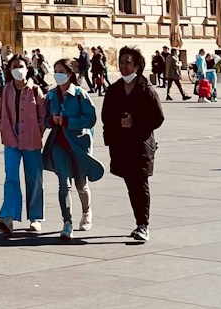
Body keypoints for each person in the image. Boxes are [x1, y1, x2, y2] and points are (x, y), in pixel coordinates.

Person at [100, 46, 163, 243]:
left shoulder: (147, 89)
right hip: (121, 146)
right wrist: (111, 137)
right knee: (131, 185)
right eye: (121, 62)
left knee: (140, 184)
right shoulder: (114, 89)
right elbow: (106, 116)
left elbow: (158, 118)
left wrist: (134, 122)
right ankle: (139, 222)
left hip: (141, 145)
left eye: (128, 62)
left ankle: (143, 225)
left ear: (137, 65)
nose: (124, 66)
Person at [43, 58, 102, 241]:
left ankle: (86, 212)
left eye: (61, 71)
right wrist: (52, 121)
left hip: (78, 144)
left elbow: (90, 118)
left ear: (70, 74)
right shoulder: (51, 95)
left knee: (80, 184)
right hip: (59, 143)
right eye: (55, 71)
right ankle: (67, 222)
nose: (57, 75)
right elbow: (44, 118)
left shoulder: (80, 94)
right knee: (63, 184)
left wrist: (69, 121)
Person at [0, 53, 47, 237]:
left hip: (31, 138)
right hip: (11, 139)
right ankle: (8, 216)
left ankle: (36, 217)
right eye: (14, 66)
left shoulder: (35, 90)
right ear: (9, 69)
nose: (18, 70)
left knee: (35, 178)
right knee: (11, 178)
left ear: (28, 68)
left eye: (21, 66)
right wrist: (4, 128)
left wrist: (38, 130)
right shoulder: (4, 90)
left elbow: (43, 115)